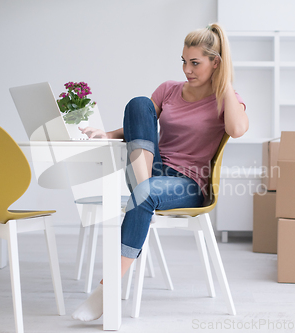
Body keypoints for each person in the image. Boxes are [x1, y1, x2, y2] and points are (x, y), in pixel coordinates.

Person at [71, 23, 248, 321]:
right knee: (139, 104)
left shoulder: (224, 100)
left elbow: (237, 129)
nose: (187, 70)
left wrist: (226, 82)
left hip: (188, 184)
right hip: (151, 168)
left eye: (195, 63)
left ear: (215, 62)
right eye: (183, 61)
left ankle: (108, 288)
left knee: (145, 193)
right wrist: (108, 135)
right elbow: (139, 124)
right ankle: (144, 190)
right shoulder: (169, 90)